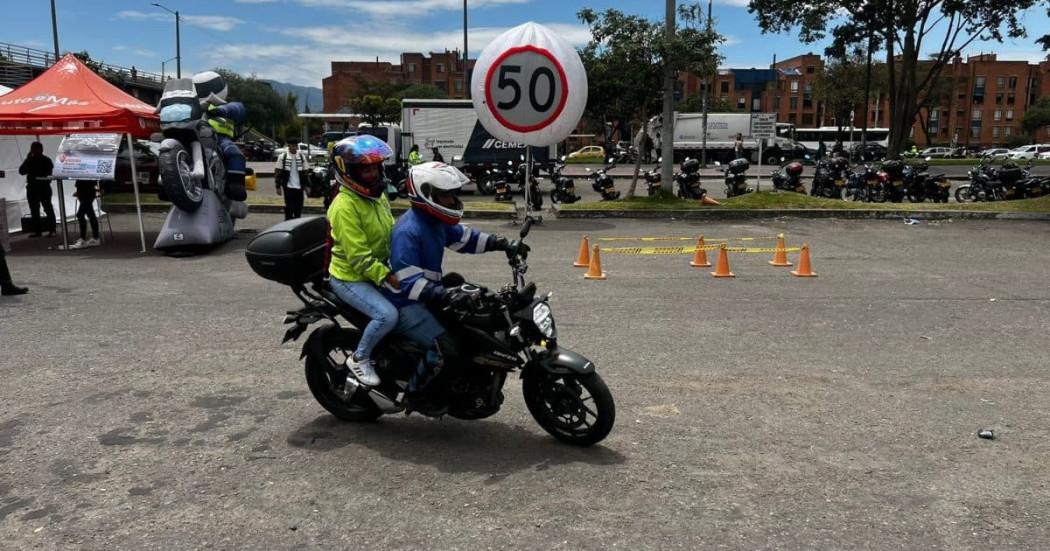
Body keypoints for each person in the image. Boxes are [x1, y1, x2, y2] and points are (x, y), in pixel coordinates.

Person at [384, 161, 528, 414]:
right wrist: (443, 293)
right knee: (444, 349)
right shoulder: (408, 231)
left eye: (451, 194)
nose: (451, 201)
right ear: (425, 194)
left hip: (429, 292)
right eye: (444, 195)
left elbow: (466, 238)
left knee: (471, 317)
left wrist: (503, 243)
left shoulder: (434, 221)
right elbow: (406, 282)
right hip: (406, 302)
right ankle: (416, 395)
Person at [326, 135, 401, 387]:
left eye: (375, 167)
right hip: (350, 277)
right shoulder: (344, 206)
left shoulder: (377, 196)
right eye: (365, 169)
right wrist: (389, 277)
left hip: (377, 269)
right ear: (348, 172)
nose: (372, 173)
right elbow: (359, 258)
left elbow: (391, 231)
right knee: (387, 316)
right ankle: (360, 358)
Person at [192, 71, 248, 202]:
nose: (203, 91)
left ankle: (236, 184)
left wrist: (221, 110)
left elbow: (238, 109)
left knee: (235, 154)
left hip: (219, 139)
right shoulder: (191, 106)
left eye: (206, 87)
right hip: (194, 135)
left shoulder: (225, 105)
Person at [18, 142, 56, 238]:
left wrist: (28, 159)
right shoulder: (31, 160)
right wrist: (27, 159)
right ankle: (41, 230)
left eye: (34, 149)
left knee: (46, 208)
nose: (34, 151)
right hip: (35, 188)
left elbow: (49, 174)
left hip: (42, 187)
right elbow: (21, 171)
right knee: (36, 210)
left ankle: (51, 229)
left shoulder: (45, 160)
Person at [274, 142, 309, 220]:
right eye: (292, 145)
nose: (294, 147)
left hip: (299, 187)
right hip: (288, 186)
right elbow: (278, 172)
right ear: (288, 146)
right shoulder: (283, 157)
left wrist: (307, 186)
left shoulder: (301, 157)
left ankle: (296, 223)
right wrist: (278, 186)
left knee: (299, 207)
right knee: (289, 207)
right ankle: (288, 222)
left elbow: (305, 172)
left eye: (295, 145)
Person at [71, 180, 100, 248]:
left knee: (81, 214)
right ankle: (92, 237)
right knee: (89, 213)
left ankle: (88, 238)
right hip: (83, 190)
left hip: (87, 190)